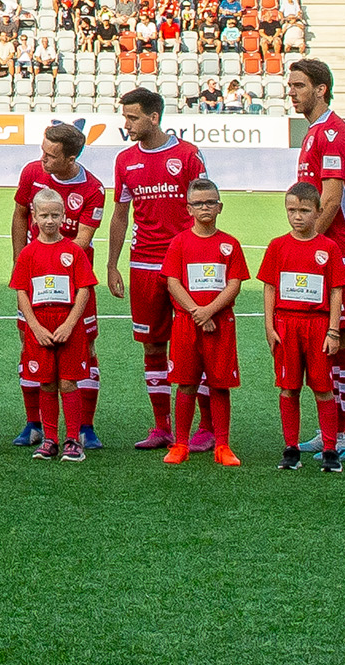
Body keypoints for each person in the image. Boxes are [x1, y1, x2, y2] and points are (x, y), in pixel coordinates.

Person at [106, 87, 211, 451]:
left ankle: (208, 426)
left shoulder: (187, 155)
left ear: (154, 117)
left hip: (186, 266)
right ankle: (162, 427)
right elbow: (120, 214)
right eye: (125, 116)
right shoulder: (124, 160)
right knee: (153, 346)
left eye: (133, 117)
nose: (127, 123)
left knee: (194, 345)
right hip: (143, 264)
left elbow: (206, 204)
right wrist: (112, 263)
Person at [288, 58, 345, 459]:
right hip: (325, 249)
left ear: (321, 89)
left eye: (299, 86)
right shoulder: (313, 134)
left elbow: (333, 199)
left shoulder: (334, 134)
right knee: (328, 340)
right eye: (291, 86)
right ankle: (332, 431)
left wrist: (308, 245)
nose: (292, 92)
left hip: (341, 251)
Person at [11, 120, 108, 450]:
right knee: (30, 344)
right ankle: (34, 424)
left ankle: (85, 427)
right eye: (42, 151)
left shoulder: (93, 189)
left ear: (70, 158)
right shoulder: (31, 173)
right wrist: (21, 259)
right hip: (35, 276)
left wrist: (53, 258)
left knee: (86, 351)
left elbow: (82, 240)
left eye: (51, 155)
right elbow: (20, 215)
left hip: (75, 284)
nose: (43, 160)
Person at [258, 184, 345, 473]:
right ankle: (291, 448)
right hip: (286, 325)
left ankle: (329, 449)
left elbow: (337, 290)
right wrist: (269, 326)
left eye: (304, 210)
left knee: (323, 389)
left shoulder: (328, 248)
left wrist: (334, 330)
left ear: (318, 212)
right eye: (292, 210)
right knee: (289, 388)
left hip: (317, 324)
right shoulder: (278, 246)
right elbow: (270, 287)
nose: (297, 217)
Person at [158, 175, 247, 467]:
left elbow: (234, 284)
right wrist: (198, 312)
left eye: (210, 202)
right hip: (187, 323)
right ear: (188, 209)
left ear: (220, 207)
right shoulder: (180, 242)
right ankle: (180, 443)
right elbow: (172, 282)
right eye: (198, 204)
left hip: (220, 323)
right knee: (186, 384)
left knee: (220, 385)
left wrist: (209, 311)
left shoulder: (230, 244)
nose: (205, 208)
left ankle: (222, 445)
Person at [11, 186, 98, 462]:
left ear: (63, 216)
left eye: (55, 215)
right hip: (41, 326)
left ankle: (73, 440)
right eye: (44, 215)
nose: (50, 221)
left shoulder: (73, 251)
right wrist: (34, 326)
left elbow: (84, 289)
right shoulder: (28, 254)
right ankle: (50, 439)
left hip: (67, 326)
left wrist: (71, 324)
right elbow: (21, 292)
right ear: (34, 217)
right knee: (46, 384)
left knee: (68, 383)